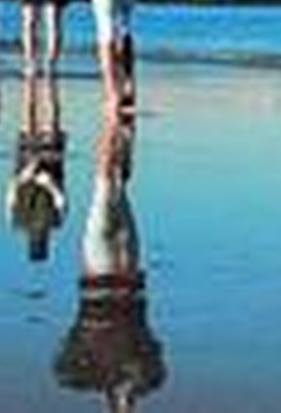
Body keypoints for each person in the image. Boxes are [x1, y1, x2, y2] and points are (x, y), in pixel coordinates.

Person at [54, 114, 166, 410]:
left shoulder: (90, 371)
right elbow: (157, 358)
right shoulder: (144, 374)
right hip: (129, 274)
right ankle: (119, 127)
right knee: (117, 186)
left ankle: (112, 122)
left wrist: (108, 378)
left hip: (99, 274)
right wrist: (131, 382)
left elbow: (63, 370)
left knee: (105, 186)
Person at [7, 72, 66, 263]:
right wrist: (49, 184)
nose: (38, 236)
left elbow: (10, 195)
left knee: (28, 120)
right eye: (40, 240)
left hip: (25, 167)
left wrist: (24, 176)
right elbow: (62, 200)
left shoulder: (16, 222)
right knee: (51, 120)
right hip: (52, 167)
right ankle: (48, 80)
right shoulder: (56, 222)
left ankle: (32, 80)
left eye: (35, 240)